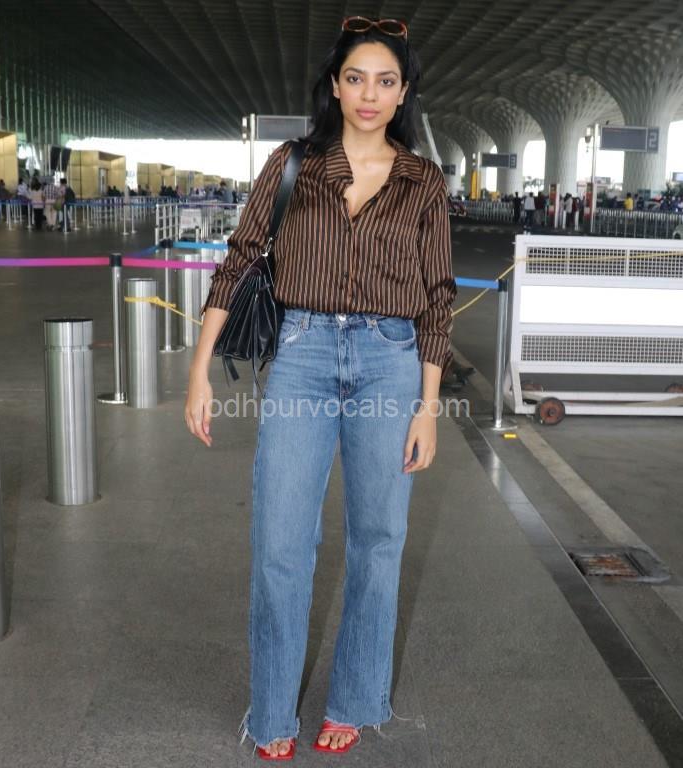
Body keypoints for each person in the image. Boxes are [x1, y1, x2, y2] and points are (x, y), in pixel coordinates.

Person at [185, 16, 456, 761]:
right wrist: (200, 370)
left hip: (390, 360)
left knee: (378, 540)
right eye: (356, 78)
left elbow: (437, 298)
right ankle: (272, 710)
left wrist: (428, 409)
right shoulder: (294, 163)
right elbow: (240, 259)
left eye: (386, 81)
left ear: (403, 93)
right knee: (280, 539)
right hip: (302, 354)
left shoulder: (423, 181)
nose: (370, 94)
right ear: (335, 86)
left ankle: (354, 699)